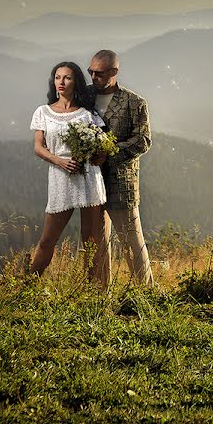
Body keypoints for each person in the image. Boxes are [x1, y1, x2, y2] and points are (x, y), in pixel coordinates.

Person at [29, 61, 110, 288]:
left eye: (67, 78)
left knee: (91, 240)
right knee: (47, 240)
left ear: (76, 83)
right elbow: (38, 147)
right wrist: (59, 161)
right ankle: (26, 286)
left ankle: (92, 291)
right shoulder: (43, 112)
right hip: (60, 176)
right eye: (57, 77)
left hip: (88, 177)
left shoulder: (87, 114)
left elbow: (102, 145)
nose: (61, 82)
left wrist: (97, 154)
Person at [87, 49, 155, 285]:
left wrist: (110, 154)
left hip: (121, 184)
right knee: (93, 243)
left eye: (99, 73)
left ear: (114, 72)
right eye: (90, 72)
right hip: (89, 182)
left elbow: (143, 140)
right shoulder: (83, 97)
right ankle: (97, 296)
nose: (93, 77)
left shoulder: (134, 102)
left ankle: (145, 294)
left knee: (132, 242)